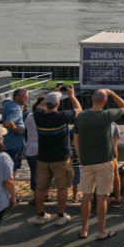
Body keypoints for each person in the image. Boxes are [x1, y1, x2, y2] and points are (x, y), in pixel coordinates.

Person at [73, 88, 124, 240]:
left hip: (86, 162)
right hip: (104, 161)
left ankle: (84, 229)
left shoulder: (81, 116)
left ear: (92, 99)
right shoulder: (106, 115)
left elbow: (75, 140)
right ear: (104, 101)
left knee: (86, 197)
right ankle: (101, 231)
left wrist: (80, 156)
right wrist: (113, 93)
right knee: (102, 197)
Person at [33, 88, 82, 225]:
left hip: (43, 158)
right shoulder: (63, 116)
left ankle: (40, 214)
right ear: (58, 104)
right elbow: (78, 109)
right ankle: (60, 215)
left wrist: (53, 93)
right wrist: (71, 95)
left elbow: (39, 106)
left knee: (40, 188)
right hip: (61, 158)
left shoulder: (38, 115)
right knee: (62, 187)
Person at [23, 95, 46, 201]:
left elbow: (26, 127)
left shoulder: (30, 116)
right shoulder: (49, 116)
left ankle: (36, 197)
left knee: (34, 174)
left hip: (31, 148)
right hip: (43, 149)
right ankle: (45, 195)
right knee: (45, 174)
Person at [2, 89, 29, 174]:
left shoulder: (9, 104)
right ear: (17, 97)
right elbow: (8, 123)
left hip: (8, 143)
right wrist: (19, 130)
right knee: (11, 172)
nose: (27, 99)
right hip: (14, 145)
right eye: (25, 97)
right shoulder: (16, 108)